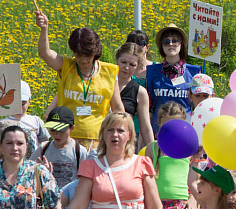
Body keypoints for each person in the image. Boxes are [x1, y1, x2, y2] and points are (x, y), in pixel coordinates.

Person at [35, 13, 124, 149]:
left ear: (96, 52)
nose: (83, 60)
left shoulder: (109, 72)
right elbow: (45, 53)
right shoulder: (65, 66)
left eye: (87, 55)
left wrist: (120, 137)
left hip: (97, 140)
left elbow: (118, 109)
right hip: (66, 139)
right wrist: (44, 29)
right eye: (78, 55)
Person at [143, 103, 198, 209]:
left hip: (179, 207)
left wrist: (192, 199)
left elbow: (195, 179)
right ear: (159, 125)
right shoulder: (153, 147)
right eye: (167, 127)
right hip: (157, 207)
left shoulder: (189, 148)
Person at [145, 23, 203, 133]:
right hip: (158, 132)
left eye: (175, 40)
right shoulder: (152, 72)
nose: (170, 44)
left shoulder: (194, 72)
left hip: (185, 131)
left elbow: (199, 106)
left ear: (181, 44)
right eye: (166, 41)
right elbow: (149, 108)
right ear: (161, 45)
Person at [114, 42, 155, 148]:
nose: (126, 68)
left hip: (125, 145)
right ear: (116, 59)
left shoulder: (140, 92)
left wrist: (153, 153)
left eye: (132, 65)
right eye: (123, 62)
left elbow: (146, 128)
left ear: (137, 66)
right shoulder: (104, 82)